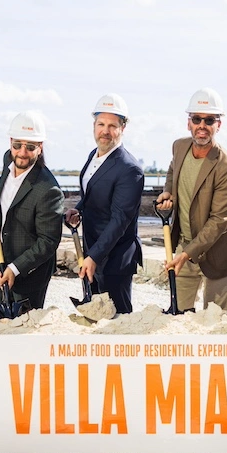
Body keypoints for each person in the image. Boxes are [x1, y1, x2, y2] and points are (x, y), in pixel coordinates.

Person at [156, 87, 227, 312]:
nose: (202, 125)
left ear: (218, 125)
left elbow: (219, 220)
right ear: (189, 123)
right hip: (185, 244)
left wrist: (186, 254)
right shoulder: (179, 147)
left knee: (214, 320)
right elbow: (173, 169)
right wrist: (169, 191)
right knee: (178, 314)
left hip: (218, 252)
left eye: (209, 120)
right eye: (197, 119)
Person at [64, 95, 144, 314]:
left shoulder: (129, 169)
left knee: (119, 318)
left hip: (115, 258)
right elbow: (93, 192)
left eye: (112, 126)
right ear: (94, 125)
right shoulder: (94, 155)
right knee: (96, 315)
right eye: (101, 124)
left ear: (123, 128)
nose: (105, 131)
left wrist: (93, 257)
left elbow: (120, 220)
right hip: (92, 250)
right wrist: (79, 208)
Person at [0, 111, 64, 309]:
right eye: (17, 145)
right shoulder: (9, 159)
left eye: (30, 147)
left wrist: (15, 269)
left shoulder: (49, 190)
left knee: (25, 322)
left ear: (40, 147)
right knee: (1, 317)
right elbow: (9, 185)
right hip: (4, 258)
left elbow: (48, 242)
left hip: (31, 270)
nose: (22, 152)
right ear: (10, 142)